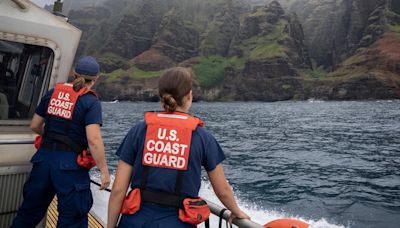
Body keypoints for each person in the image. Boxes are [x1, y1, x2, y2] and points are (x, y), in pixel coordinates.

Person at [108, 67, 250, 228]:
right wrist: (236, 211)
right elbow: (222, 190)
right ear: (189, 96)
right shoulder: (202, 137)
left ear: (161, 97)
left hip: (135, 221)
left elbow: (118, 190)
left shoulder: (139, 131)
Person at [12, 56, 110, 227]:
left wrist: (50, 136)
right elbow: (93, 139)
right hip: (70, 167)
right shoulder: (90, 101)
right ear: (96, 79)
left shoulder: (53, 93)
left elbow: (35, 125)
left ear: (73, 73)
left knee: (28, 214)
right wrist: (104, 171)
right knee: (72, 219)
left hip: (43, 161)